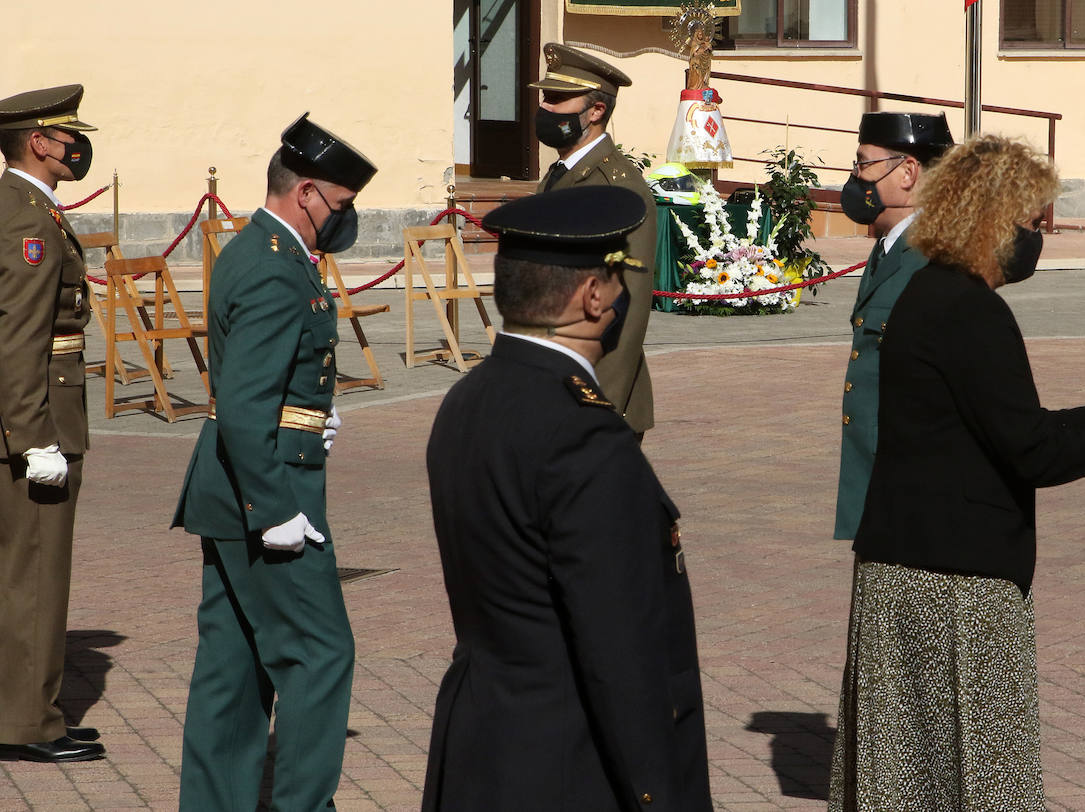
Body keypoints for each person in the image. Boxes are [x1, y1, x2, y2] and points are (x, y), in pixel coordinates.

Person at [827, 134, 1085, 811]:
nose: (1039, 237)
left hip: (904, 568)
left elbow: (1005, 422)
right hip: (955, 586)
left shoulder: (928, 293)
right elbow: (1032, 449)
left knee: (909, 782)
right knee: (977, 782)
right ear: (992, 222)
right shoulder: (971, 311)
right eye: (1032, 223)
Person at [421, 185, 710, 812]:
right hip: (567, 764)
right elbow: (620, 650)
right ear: (594, 295)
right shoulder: (586, 435)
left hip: (481, 744)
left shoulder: (467, 399)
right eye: (616, 276)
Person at [171, 113, 376, 810]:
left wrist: (314, 411)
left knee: (232, 670)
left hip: (236, 486)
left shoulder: (258, 250)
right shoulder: (275, 268)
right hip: (267, 492)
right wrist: (277, 510)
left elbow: (271, 381)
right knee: (321, 656)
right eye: (341, 206)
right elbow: (246, 402)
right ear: (308, 192)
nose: (343, 221)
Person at [0, 84, 105, 764]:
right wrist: (33, 436)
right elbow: (22, 336)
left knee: (17, 571)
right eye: (68, 135)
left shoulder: (18, 205)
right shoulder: (31, 219)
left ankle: (24, 708)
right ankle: (26, 724)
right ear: (40, 141)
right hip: (38, 417)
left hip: (29, 410)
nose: (78, 146)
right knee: (35, 574)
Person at [833, 111, 954, 541]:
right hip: (883, 485)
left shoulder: (933, 256)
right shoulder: (891, 247)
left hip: (912, 494)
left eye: (864, 164)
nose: (856, 178)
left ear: (907, 172)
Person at [532, 43, 658, 437]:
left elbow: (629, 307)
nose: (545, 109)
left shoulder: (618, 189)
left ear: (596, 111)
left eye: (557, 99)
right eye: (545, 97)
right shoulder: (558, 176)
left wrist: (597, 406)